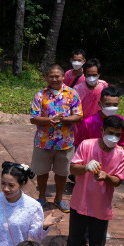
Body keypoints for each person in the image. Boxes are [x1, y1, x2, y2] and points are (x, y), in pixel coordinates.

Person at [64, 116, 124, 246]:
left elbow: (117, 181)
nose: (113, 137)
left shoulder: (121, 154)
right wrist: (85, 167)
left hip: (101, 204)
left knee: (97, 240)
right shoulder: (87, 145)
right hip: (80, 200)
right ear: (102, 131)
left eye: (117, 135)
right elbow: (73, 168)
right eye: (110, 133)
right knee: (74, 236)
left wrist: (106, 177)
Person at [29, 65, 83, 211]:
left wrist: (64, 119)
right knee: (41, 171)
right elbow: (33, 118)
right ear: (47, 77)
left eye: (57, 76)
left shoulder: (72, 94)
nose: (54, 79)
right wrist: (49, 120)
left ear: (63, 77)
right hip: (43, 141)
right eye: (51, 76)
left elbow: (79, 116)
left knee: (62, 172)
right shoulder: (40, 95)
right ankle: (41, 197)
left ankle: (59, 199)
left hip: (65, 142)